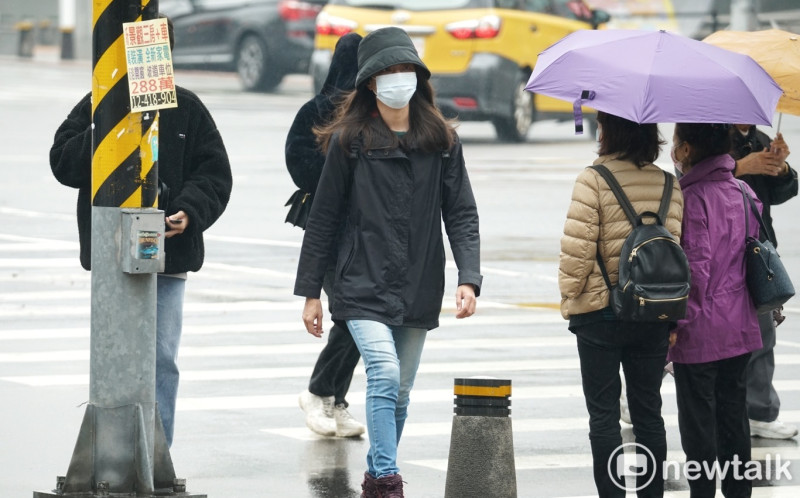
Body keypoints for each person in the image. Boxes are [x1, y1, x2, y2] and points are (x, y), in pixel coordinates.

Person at [293, 27, 482, 497]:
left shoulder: (441, 140)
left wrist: (469, 278)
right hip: (359, 281)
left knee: (398, 393)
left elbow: (461, 211)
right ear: (370, 83)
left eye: (406, 71)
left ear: (418, 77)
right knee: (385, 370)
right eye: (387, 72)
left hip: (418, 282)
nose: (398, 79)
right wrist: (310, 292)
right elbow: (324, 217)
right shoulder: (349, 140)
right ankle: (384, 478)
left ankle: (379, 475)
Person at [49, 16, 233, 448]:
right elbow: (63, 163)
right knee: (113, 355)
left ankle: (156, 451)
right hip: (111, 254)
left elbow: (215, 175)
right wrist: (106, 121)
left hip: (168, 258)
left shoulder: (186, 108)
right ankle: (113, 452)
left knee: (161, 358)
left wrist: (189, 211)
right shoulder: (96, 104)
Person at [559, 111, 683, 497]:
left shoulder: (593, 180)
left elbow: (577, 254)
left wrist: (569, 300)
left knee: (604, 415)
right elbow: (675, 250)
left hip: (600, 313)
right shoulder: (669, 184)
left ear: (608, 131)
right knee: (648, 413)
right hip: (653, 315)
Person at [669, 123, 763, 497]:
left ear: (688, 150)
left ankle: (703, 491)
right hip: (740, 327)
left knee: (698, 424)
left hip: (701, 332)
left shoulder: (692, 199)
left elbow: (698, 270)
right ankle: (739, 492)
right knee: (734, 416)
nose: (673, 150)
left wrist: (677, 323)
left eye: (676, 143)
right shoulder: (743, 192)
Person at [285, 32, 367, 439]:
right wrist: (334, 182)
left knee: (359, 315)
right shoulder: (318, 111)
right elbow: (299, 163)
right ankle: (320, 392)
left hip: (368, 229)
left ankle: (334, 398)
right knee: (352, 314)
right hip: (329, 225)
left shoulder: (372, 113)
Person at [729, 124, 798, 440]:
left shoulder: (760, 140)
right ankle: (637, 393)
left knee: (762, 332)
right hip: (716, 245)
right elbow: (689, 178)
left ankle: (760, 411)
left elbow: (778, 193)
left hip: (756, 247)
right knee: (695, 331)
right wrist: (742, 166)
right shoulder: (707, 132)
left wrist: (781, 167)